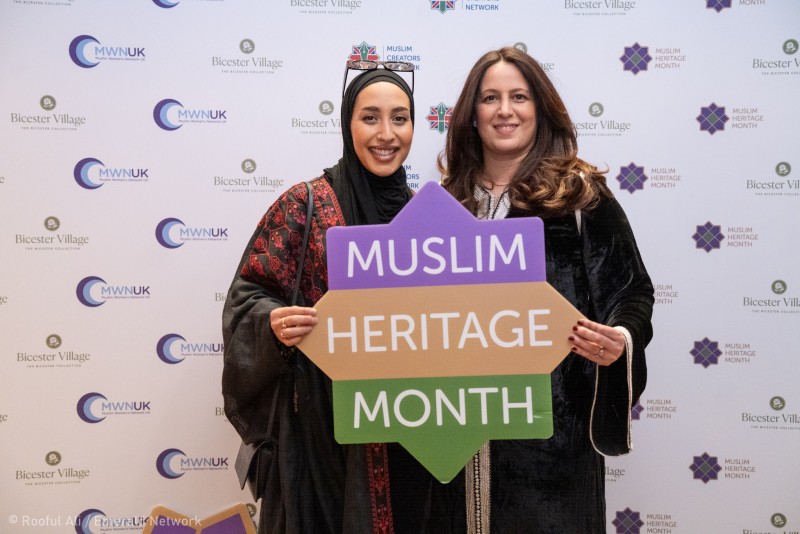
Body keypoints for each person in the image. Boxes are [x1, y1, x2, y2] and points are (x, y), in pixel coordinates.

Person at [436, 47, 655, 533]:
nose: (505, 110)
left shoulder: (577, 194)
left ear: (540, 108)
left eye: (519, 96)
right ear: (472, 114)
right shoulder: (448, 202)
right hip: (456, 433)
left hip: (553, 439)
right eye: (490, 98)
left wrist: (618, 338)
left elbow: (632, 290)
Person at [222, 62, 434, 533]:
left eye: (400, 118)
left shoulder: (425, 216)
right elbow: (247, 298)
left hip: (415, 432)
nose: (386, 134)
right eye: (370, 117)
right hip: (323, 445)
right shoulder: (305, 205)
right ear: (346, 123)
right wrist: (274, 323)